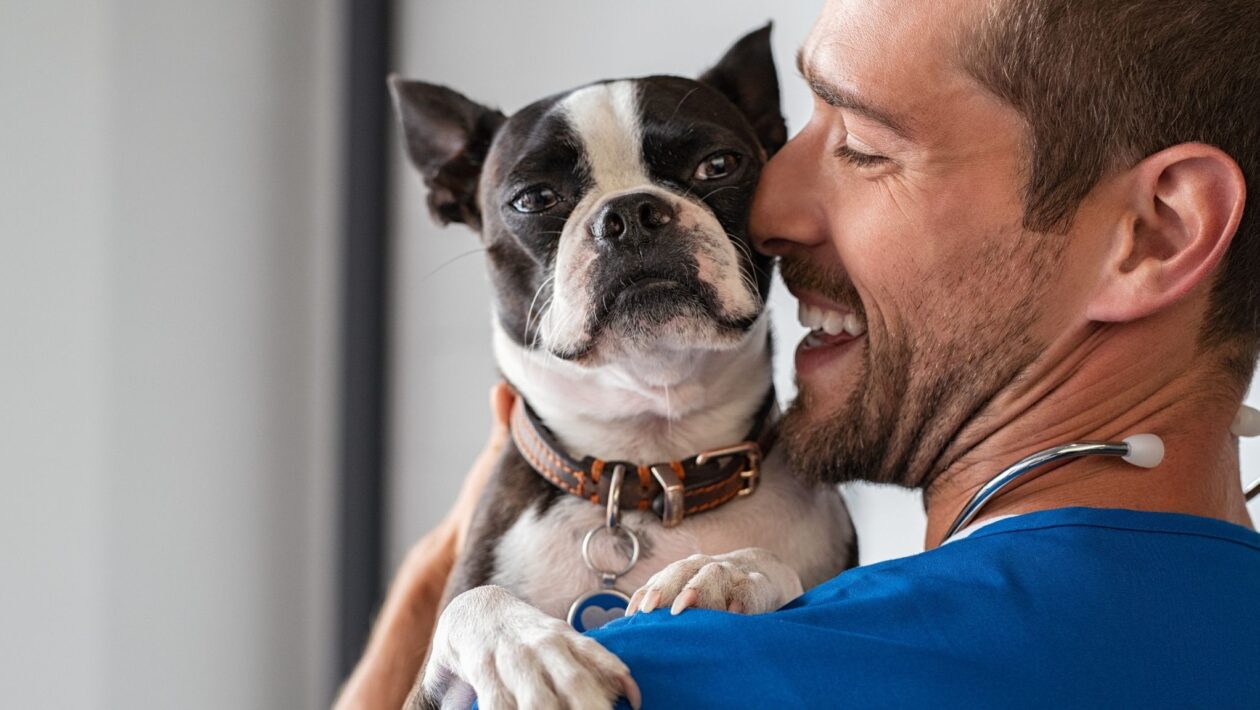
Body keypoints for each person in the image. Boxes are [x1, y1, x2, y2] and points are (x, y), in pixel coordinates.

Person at [337, 0, 1260, 706]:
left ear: (1154, 234)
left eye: (860, 147)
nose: (768, 214)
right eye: (797, 131)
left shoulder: (653, 668)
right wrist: (444, 578)